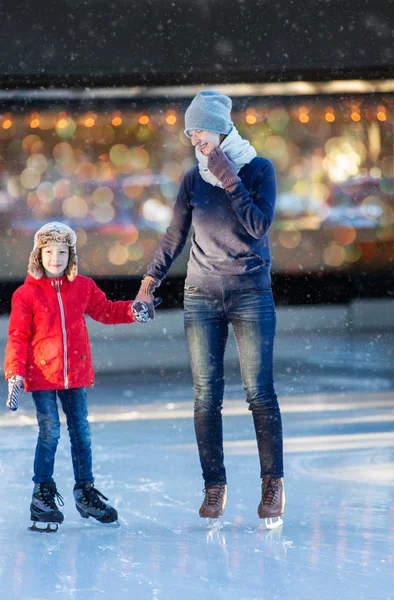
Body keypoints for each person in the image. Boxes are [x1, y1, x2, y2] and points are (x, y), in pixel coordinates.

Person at [135, 90, 285, 527]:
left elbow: (258, 226)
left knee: (259, 394)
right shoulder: (192, 179)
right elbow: (174, 236)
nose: (193, 137)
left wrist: (230, 178)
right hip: (201, 295)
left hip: (251, 293)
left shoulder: (259, 170)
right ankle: (214, 485)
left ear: (221, 126)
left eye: (198, 129)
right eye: (189, 132)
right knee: (206, 398)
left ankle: (272, 484)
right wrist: (148, 284)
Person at [4, 222, 157, 532]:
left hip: (75, 374)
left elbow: (107, 311)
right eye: (49, 252)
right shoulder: (26, 294)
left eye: (62, 252)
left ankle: (85, 492)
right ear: (39, 255)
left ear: (70, 255)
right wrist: (14, 374)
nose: (55, 258)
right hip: (43, 373)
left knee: (81, 433)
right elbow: (18, 336)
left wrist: (133, 311)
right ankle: (42, 494)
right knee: (50, 432)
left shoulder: (83, 286)